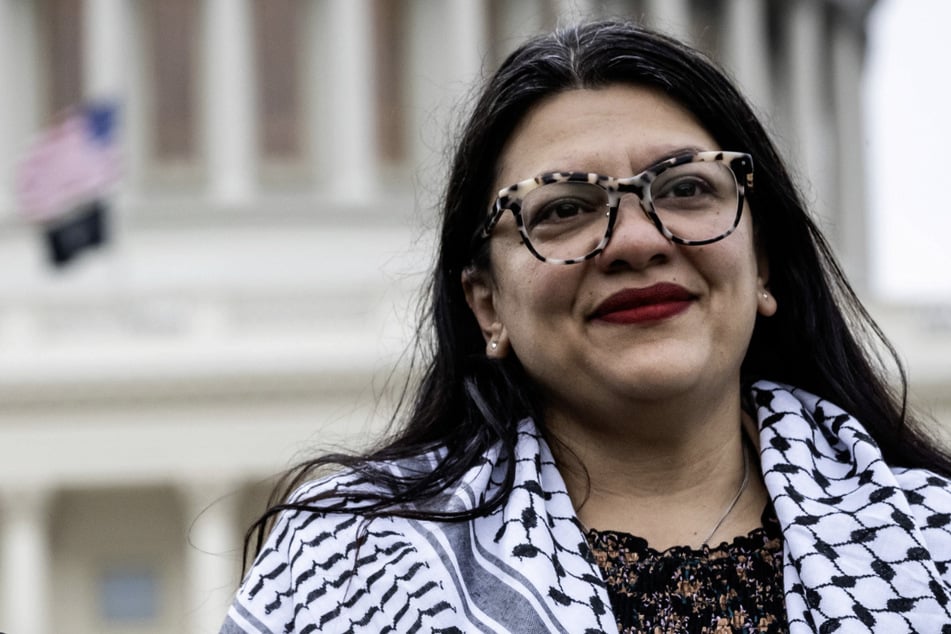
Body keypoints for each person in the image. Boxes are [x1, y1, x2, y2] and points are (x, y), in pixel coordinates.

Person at [221, 19, 951, 634]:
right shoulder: (349, 575)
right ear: (487, 305)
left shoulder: (933, 543)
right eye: (563, 208)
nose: (638, 241)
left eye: (686, 186)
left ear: (762, 263)